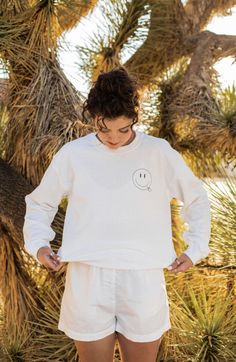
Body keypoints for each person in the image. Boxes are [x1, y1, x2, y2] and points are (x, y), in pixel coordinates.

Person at [23, 66, 211, 362]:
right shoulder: (74, 154)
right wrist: (39, 245)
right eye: (104, 128)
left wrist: (195, 249)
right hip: (87, 277)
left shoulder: (158, 152)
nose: (113, 138)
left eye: (123, 129)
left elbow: (197, 199)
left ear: (135, 117)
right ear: (93, 118)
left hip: (143, 276)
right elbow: (40, 204)